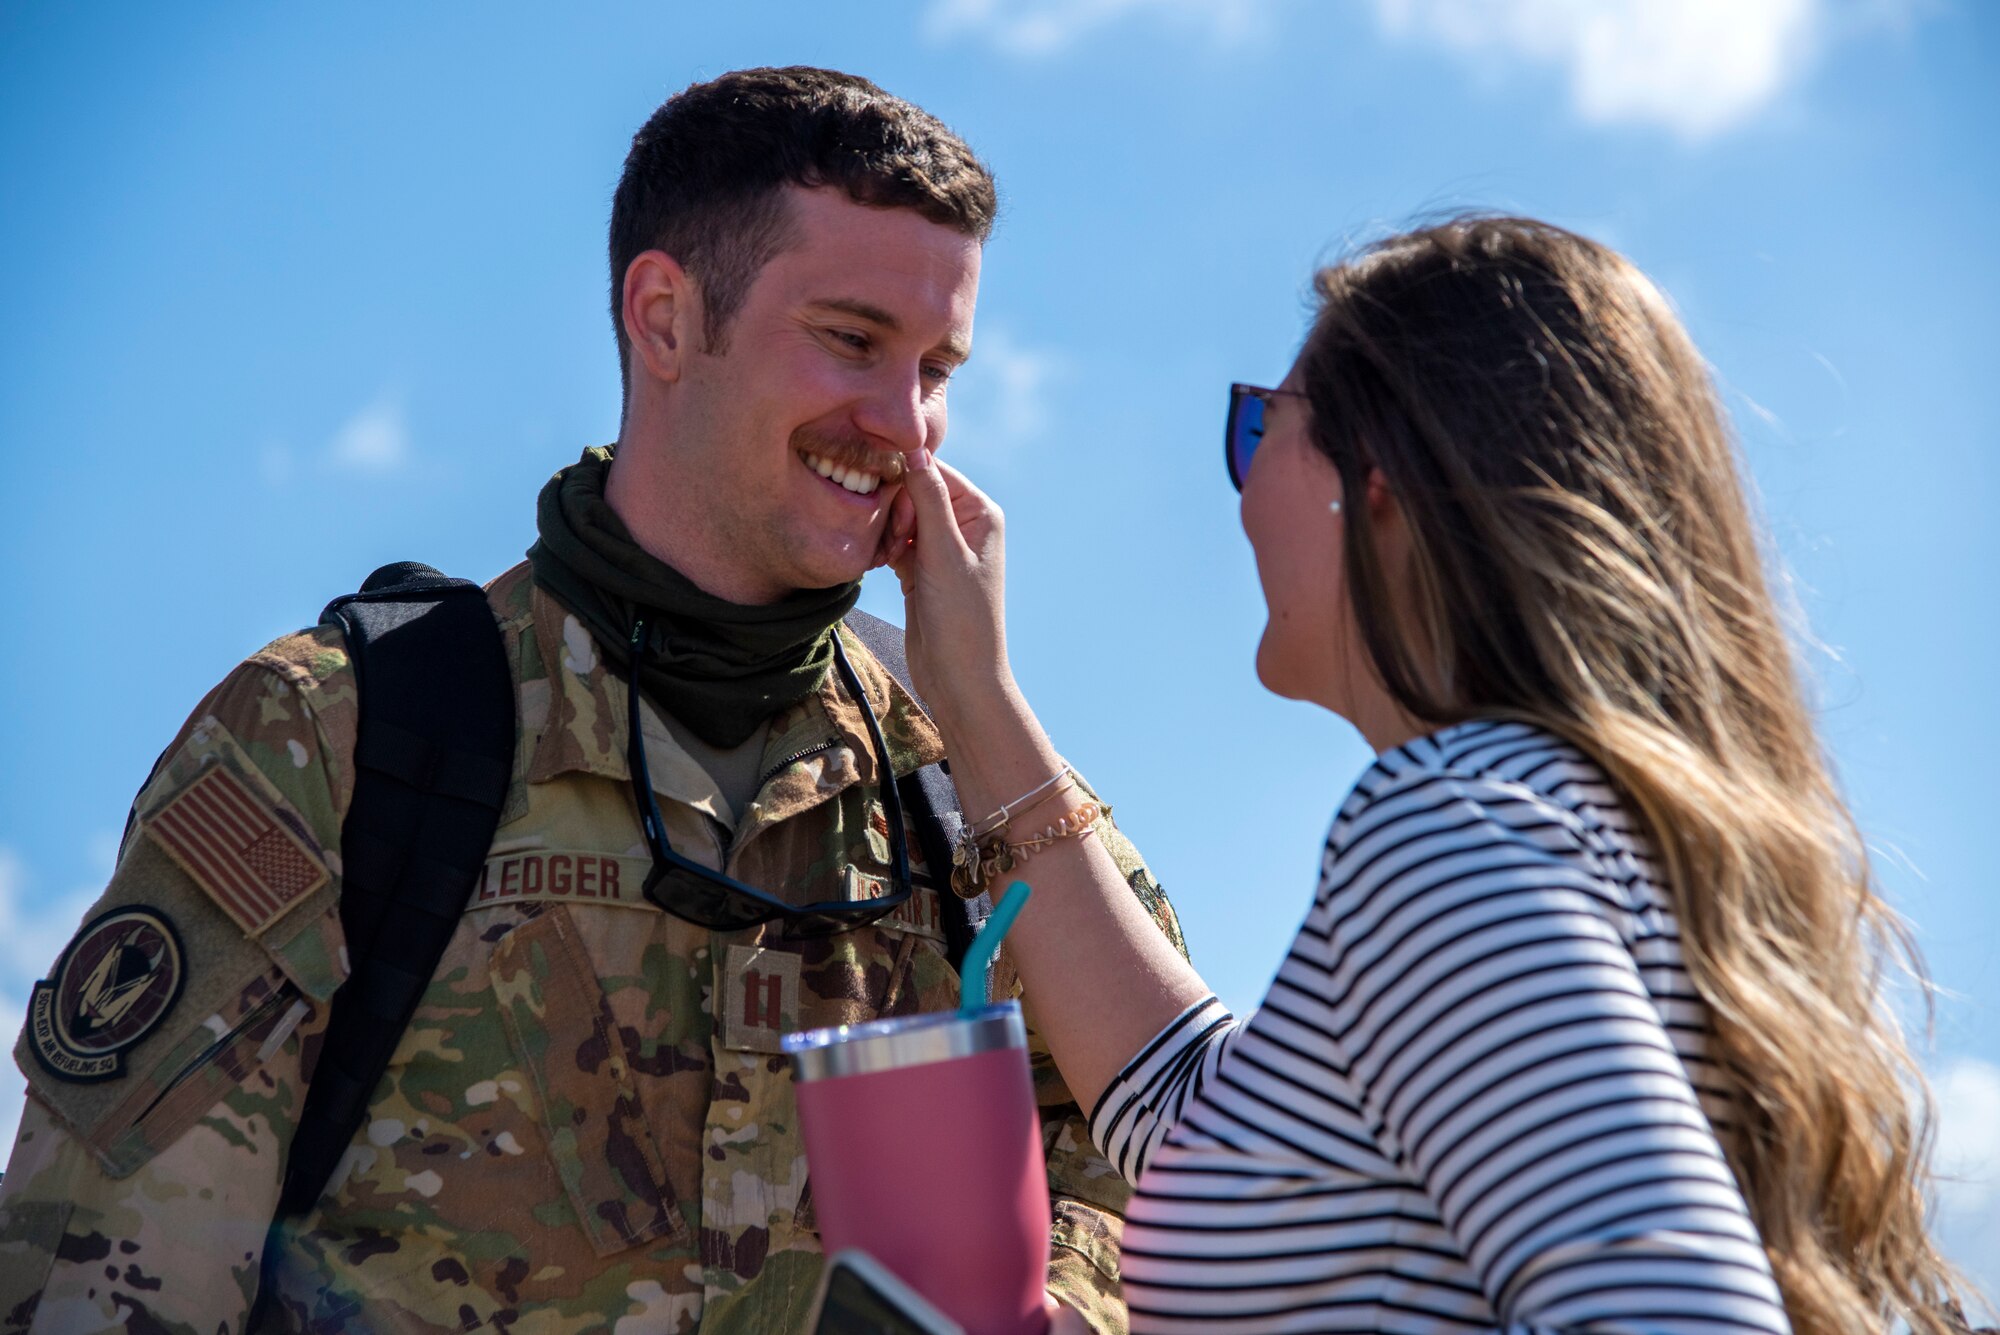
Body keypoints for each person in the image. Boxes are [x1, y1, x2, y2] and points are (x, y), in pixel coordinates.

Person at [0, 67, 1186, 1332]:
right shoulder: (339, 737)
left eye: (937, 367)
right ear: (665, 319)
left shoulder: (967, 783)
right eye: (851, 340)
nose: (905, 423)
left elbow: (1173, 1180)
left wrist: (1058, 1301)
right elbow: (99, 1283)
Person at [888, 216, 1980, 1333]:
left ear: (1381, 483)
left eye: (1261, 425)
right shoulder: (1561, 817)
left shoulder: (1451, 830)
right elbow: (1208, 1128)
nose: (1242, 482)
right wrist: (973, 697)